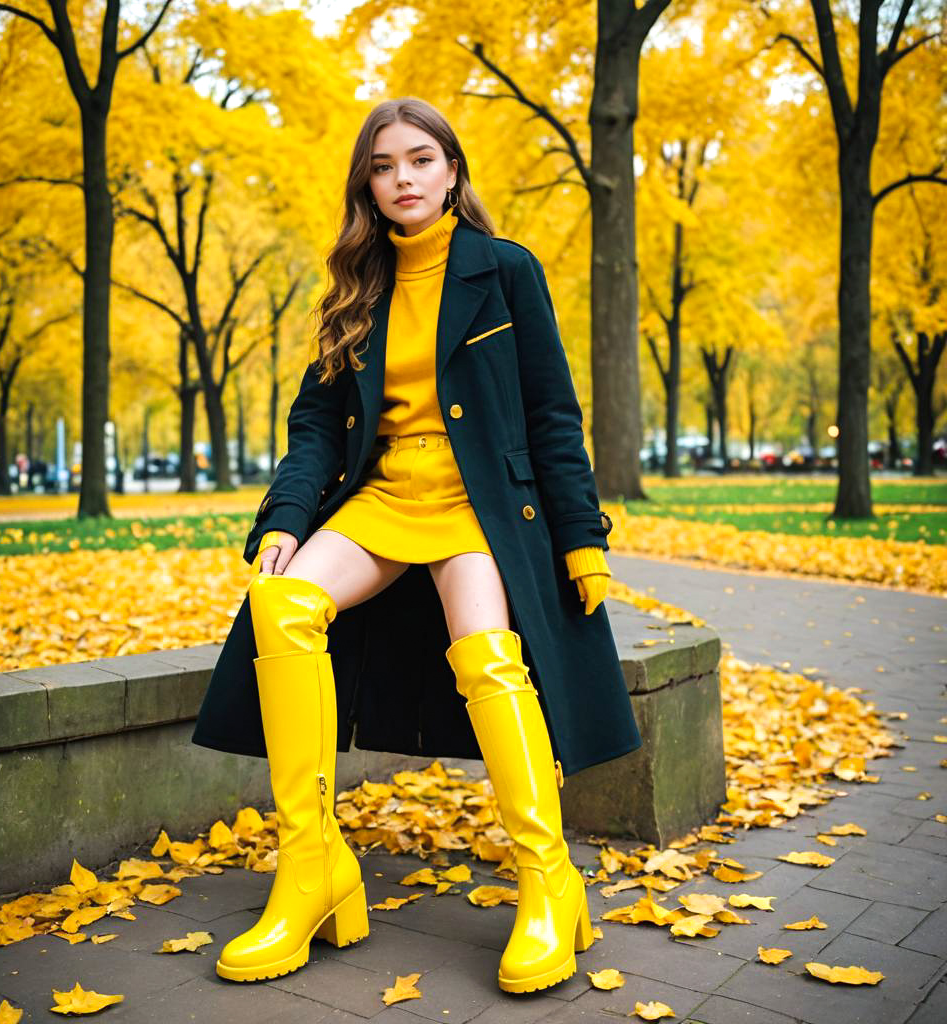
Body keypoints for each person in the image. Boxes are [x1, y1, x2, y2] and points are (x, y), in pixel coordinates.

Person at [192, 97, 642, 995]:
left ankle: (549, 881)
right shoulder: (354, 287)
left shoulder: (505, 271)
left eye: (422, 159)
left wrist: (582, 540)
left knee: (485, 656)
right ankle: (312, 865)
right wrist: (284, 518)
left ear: (452, 171)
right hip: (386, 491)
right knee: (281, 602)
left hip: (479, 503)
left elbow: (553, 414)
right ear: (367, 182)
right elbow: (316, 425)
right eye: (385, 164)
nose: (403, 177)